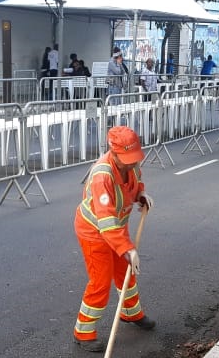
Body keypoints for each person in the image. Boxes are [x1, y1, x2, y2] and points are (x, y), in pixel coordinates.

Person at [72, 126, 156, 352]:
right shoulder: (102, 176)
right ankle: (84, 331)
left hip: (116, 228)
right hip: (94, 232)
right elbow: (105, 220)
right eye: (126, 159)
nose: (131, 163)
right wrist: (128, 248)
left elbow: (133, 186)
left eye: (134, 158)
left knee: (125, 272)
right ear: (114, 154)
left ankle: (131, 313)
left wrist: (141, 195)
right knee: (100, 282)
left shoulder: (133, 166)